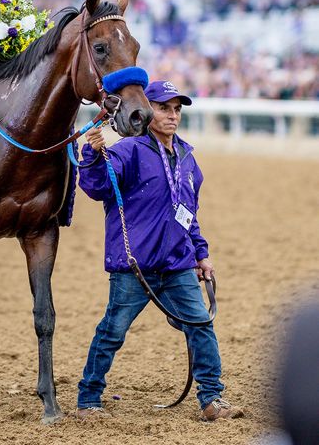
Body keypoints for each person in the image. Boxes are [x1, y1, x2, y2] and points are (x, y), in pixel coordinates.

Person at [76, 80, 244, 422]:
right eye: (165, 108)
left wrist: (201, 254)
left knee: (201, 325)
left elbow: (189, 214)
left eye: (177, 109)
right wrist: (92, 156)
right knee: (113, 331)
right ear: (147, 109)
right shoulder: (127, 150)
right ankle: (88, 398)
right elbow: (98, 189)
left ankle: (212, 399)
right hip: (134, 265)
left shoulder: (187, 157)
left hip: (179, 263)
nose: (173, 115)